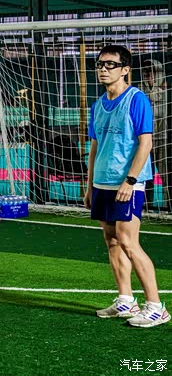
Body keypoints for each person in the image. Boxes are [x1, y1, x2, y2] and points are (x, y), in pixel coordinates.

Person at [84, 45, 169, 328]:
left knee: (129, 242)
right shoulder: (97, 105)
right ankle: (125, 300)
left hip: (128, 184)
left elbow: (146, 143)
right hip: (102, 183)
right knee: (111, 240)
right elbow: (94, 147)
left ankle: (156, 307)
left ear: (125, 69)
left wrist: (130, 180)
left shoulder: (136, 99)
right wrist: (90, 186)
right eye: (100, 64)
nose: (103, 69)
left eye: (110, 64)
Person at [140, 59, 171, 211]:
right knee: (146, 175)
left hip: (163, 140)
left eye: (152, 71)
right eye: (146, 71)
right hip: (145, 141)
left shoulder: (166, 90)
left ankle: (169, 206)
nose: (148, 74)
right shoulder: (139, 90)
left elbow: (155, 102)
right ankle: (146, 206)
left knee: (167, 176)